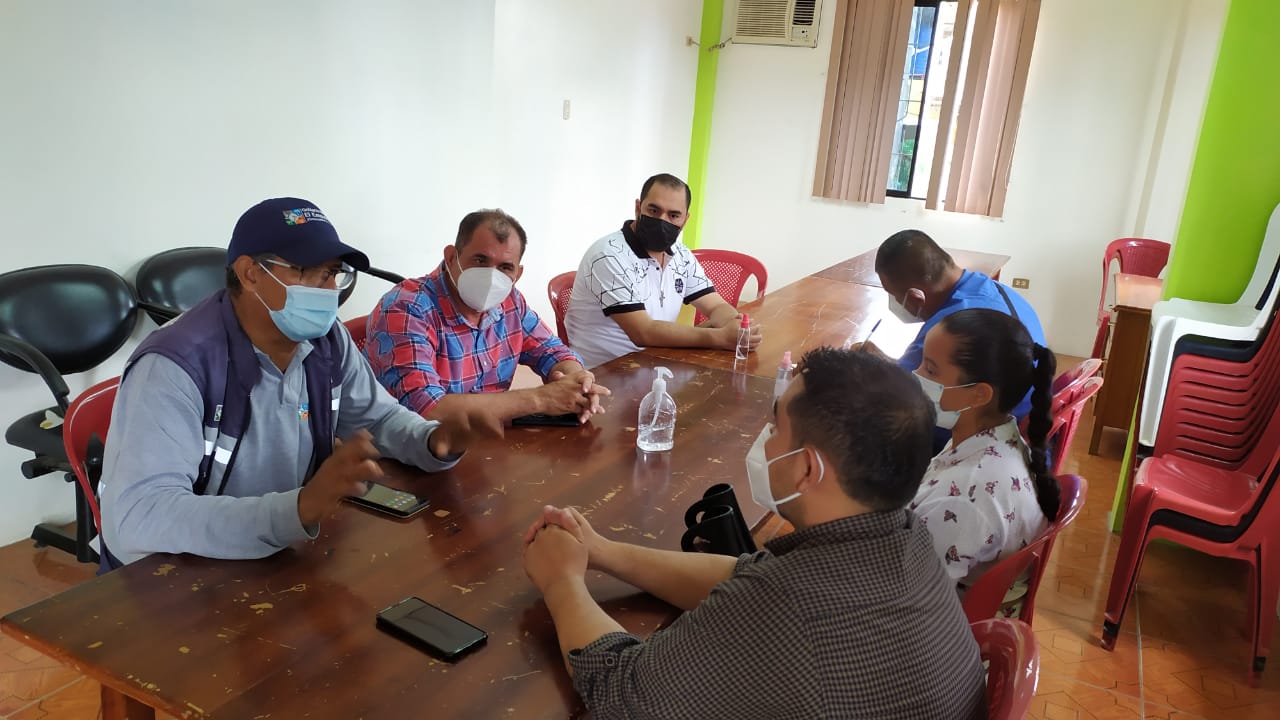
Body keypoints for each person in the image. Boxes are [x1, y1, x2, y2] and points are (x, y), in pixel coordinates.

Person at [522, 348, 986, 720]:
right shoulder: (906, 536)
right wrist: (601, 551)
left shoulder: (788, 609)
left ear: (807, 468)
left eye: (776, 427)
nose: (765, 439)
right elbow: (744, 574)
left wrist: (562, 581)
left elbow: (621, 693)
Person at [98, 198, 496, 567]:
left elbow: (377, 418)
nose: (329, 290)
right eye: (308, 271)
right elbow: (140, 515)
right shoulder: (174, 366)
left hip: (279, 555)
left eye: (333, 273)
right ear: (250, 274)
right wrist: (299, 509)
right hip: (171, 579)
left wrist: (431, 440)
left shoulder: (326, 340)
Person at [365, 209, 609, 425]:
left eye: (505, 267)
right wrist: (540, 399)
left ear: (517, 273)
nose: (491, 276)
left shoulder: (510, 300)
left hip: (486, 441)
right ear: (451, 257)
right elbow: (426, 409)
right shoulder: (407, 308)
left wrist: (577, 381)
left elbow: (552, 351)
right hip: (404, 451)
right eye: (480, 260)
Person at [910, 308, 1061, 589]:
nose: (915, 375)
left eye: (930, 370)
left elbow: (911, 596)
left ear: (979, 394)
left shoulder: (961, 498)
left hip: (940, 610)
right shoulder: (994, 437)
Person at [565, 173, 762, 368]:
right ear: (638, 208)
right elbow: (643, 332)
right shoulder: (608, 255)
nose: (662, 220)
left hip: (657, 361)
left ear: (685, 220)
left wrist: (735, 325)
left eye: (673, 215)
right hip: (603, 373)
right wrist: (720, 338)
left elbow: (715, 306)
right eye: (654, 210)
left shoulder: (681, 254)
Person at [875, 229, 1046, 426]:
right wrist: (883, 361)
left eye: (893, 295)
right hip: (1025, 415)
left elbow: (901, 395)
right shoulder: (998, 290)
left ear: (915, 297)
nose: (895, 301)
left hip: (984, 431)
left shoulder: (949, 328)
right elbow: (916, 374)